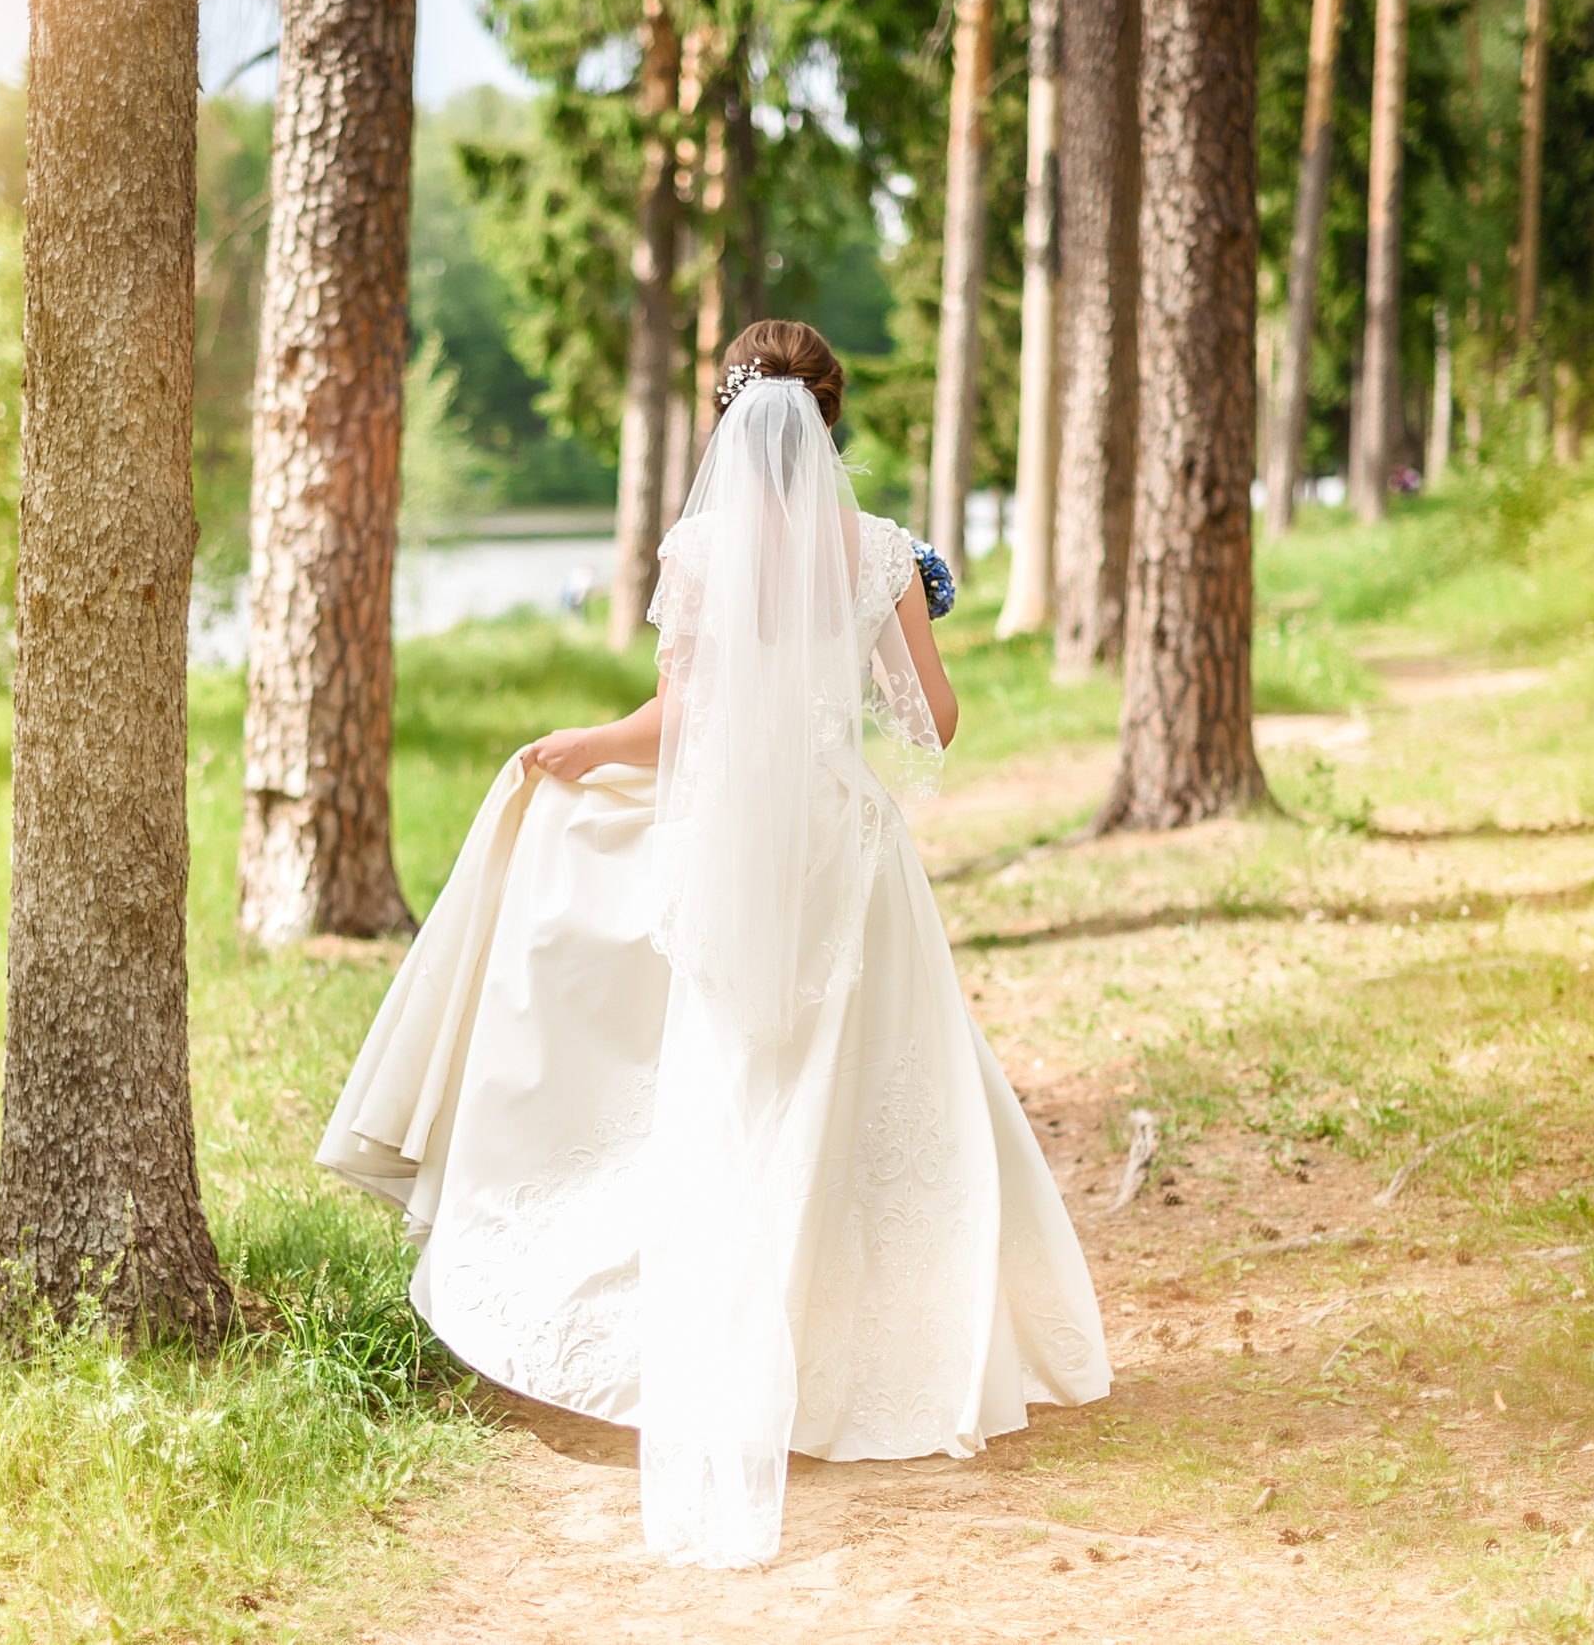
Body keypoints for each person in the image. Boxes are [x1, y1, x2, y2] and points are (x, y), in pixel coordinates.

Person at [318, 320, 1109, 1569]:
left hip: (730, 838)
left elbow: (682, 713)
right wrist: (899, 622)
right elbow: (932, 717)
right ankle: (867, 1350)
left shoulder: (696, 547)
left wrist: (580, 744)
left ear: (729, 420)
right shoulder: (882, 550)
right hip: (841, 844)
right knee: (866, 1091)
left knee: (734, 1084)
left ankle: (711, 1327)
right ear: (829, 419)